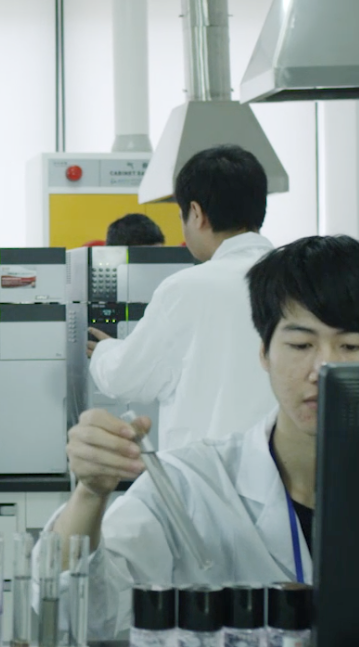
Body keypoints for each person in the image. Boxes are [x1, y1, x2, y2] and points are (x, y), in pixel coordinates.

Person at [48, 235, 359, 640]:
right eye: (301, 344)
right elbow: (83, 617)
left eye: (351, 345)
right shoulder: (189, 483)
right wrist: (90, 495)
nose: (322, 368)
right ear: (265, 353)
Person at [83, 145, 277, 452]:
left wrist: (107, 350)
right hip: (288, 471)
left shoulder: (186, 287)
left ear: (196, 214)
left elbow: (125, 378)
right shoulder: (302, 278)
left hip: (206, 470)